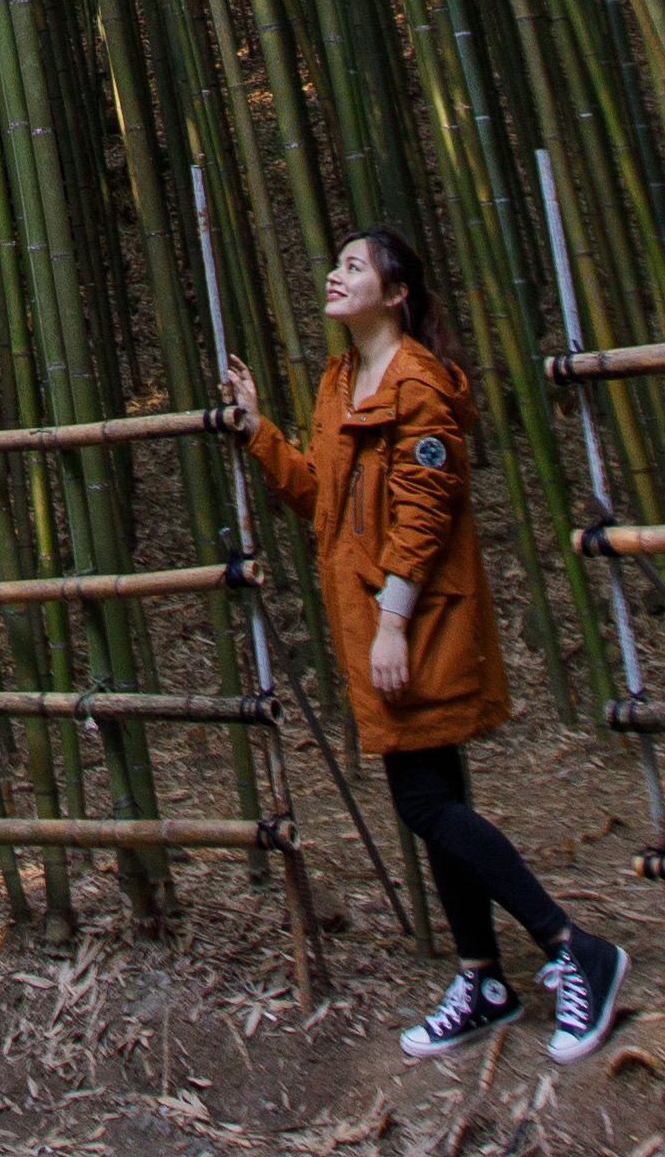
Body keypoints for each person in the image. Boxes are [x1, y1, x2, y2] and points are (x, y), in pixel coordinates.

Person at [224, 223, 633, 1067]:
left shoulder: (419, 384)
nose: (335, 274)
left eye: (353, 266)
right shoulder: (340, 381)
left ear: (397, 292)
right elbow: (323, 502)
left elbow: (427, 512)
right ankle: (482, 977)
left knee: (423, 805)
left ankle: (571, 947)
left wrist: (396, 623)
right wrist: (261, 432)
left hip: (415, 623)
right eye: (333, 261)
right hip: (371, 620)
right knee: (435, 800)